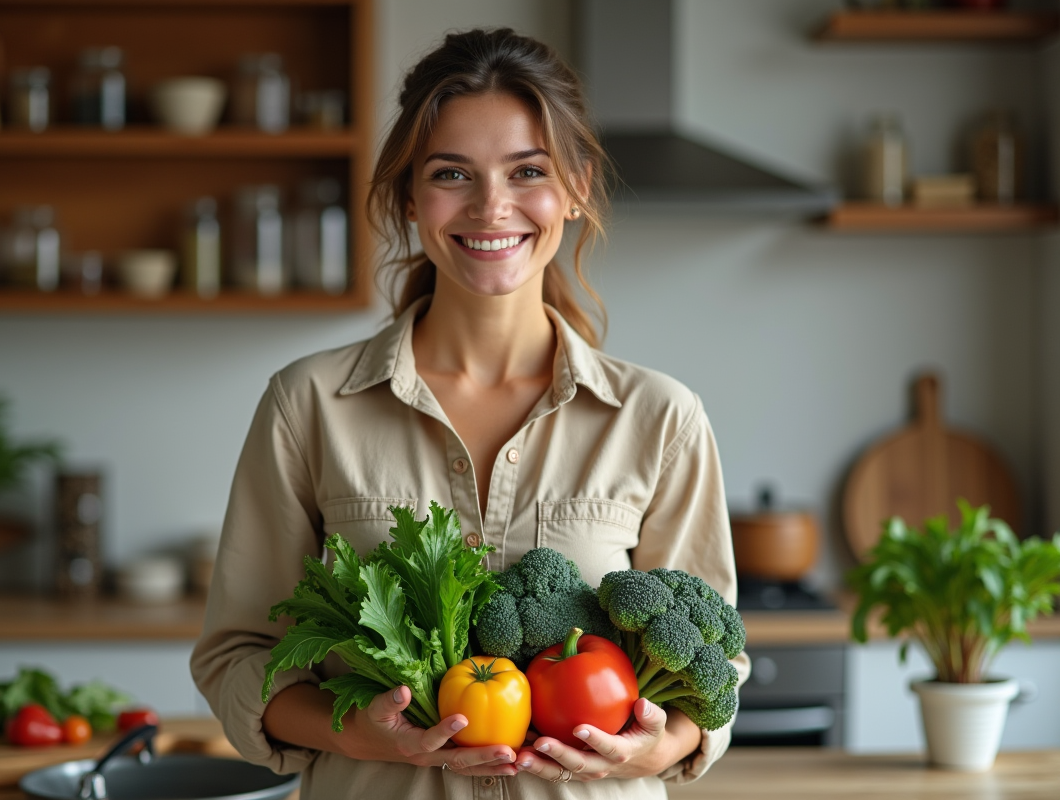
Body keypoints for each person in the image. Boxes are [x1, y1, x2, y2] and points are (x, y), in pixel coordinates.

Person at [191, 27, 749, 799]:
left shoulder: (658, 417)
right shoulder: (309, 405)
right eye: (453, 173)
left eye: (529, 171)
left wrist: (653, 751)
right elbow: (238, 658)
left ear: (577, 188)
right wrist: (366, 733)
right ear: (409, 198)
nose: (493, 207)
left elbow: (713, 667)